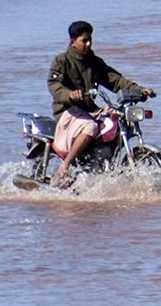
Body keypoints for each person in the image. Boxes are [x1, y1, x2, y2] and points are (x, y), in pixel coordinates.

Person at [48, 20, 155, 187]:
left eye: (90, 39)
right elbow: (54, 86)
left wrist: (140, 90)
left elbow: (115, 80)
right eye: (84, 40)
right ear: (73, 42)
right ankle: (64, 167)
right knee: (91, 127)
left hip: (89, 111)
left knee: (117, 119)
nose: (89, 43)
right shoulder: (62, 61)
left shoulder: (94, 62)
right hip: (68, 111)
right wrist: (70, 94)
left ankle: (104, 167)